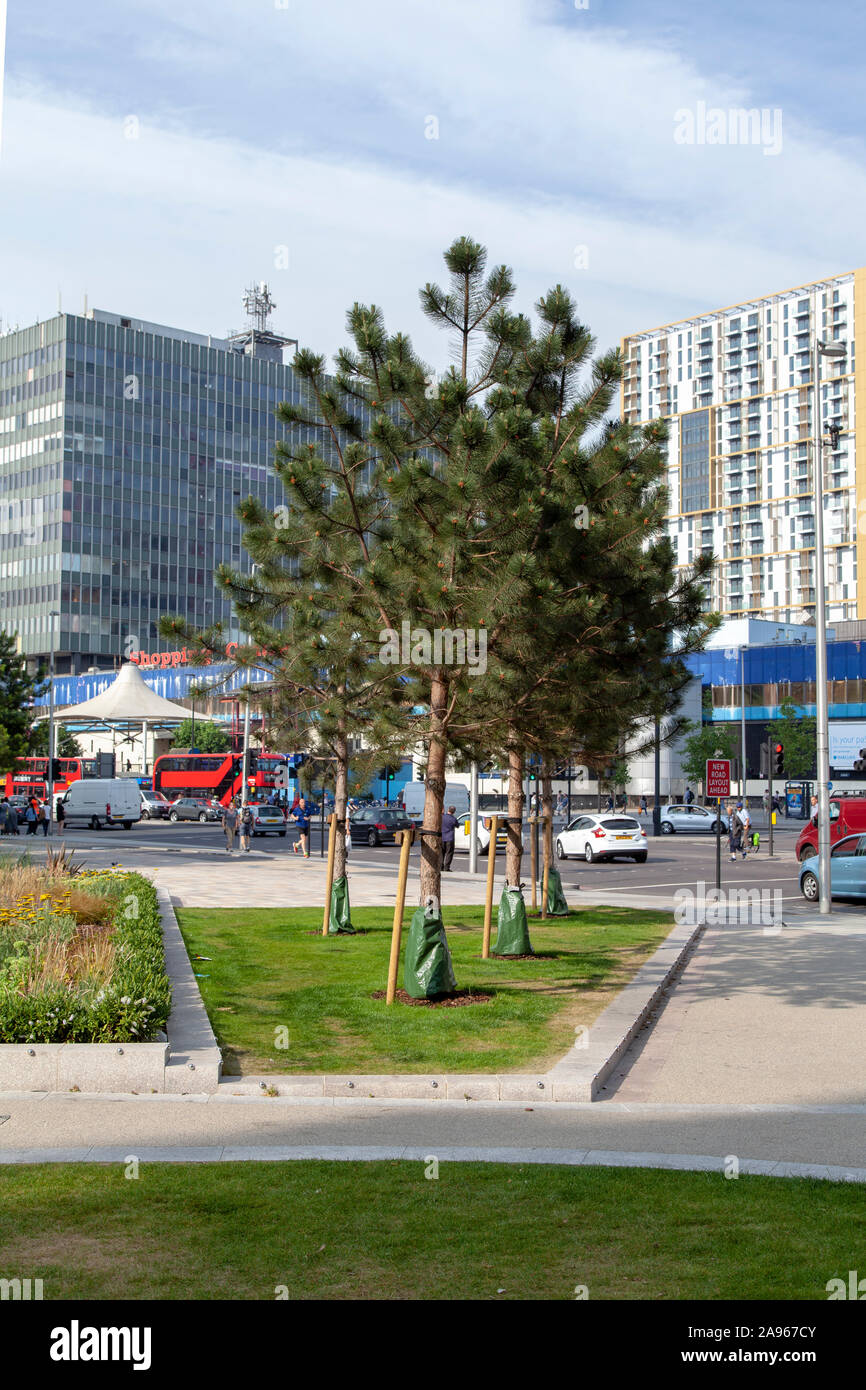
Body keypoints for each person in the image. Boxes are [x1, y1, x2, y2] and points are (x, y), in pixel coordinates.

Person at [441, 804, 459, 871]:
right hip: (450, 838)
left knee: (442, 853)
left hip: (442, 837)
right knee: (449, 853)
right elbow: (457, 825)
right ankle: (446, 867)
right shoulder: (453, 819)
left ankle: (441, 866)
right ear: (454, 812)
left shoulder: (442, 817)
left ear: (448, 810)